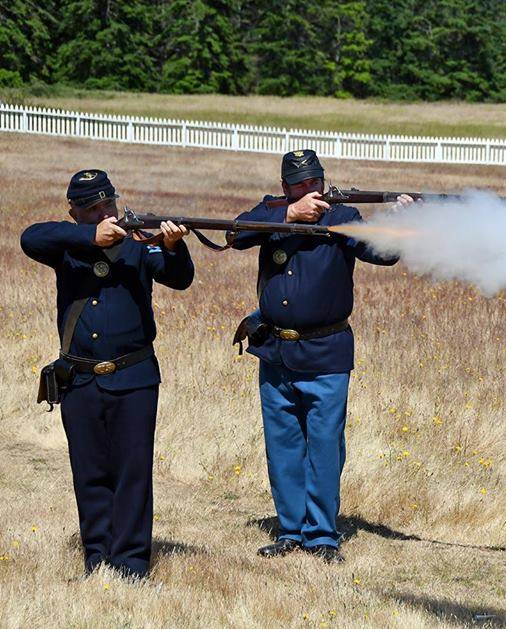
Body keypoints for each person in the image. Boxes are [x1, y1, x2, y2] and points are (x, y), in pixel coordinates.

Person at [231, 150, 411, 562]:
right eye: (300, 185)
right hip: (276, 349)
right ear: (285, 189)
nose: (309, 190)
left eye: (314, 182)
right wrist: (291, 215)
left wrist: (400, 223)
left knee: (325, 446)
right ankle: (290, 530)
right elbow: (237, 234)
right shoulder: (272, 213)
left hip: (326, 349)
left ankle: (323, 535)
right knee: (283, 445)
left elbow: (383, 255)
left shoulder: (342, 216)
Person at [21, 169, 193, 579]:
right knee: (90, 471)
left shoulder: (139, 242)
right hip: (79, 379)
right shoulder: (67, 244)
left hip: (134, 376)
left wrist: (172, 246)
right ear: (74, 212)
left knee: (133, 473)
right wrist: (89, 238)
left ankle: (132, 563)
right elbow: (30, 237)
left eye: (109, 205)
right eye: (94, 209)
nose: (105, 213)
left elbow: (180, 279)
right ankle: (97, 558)